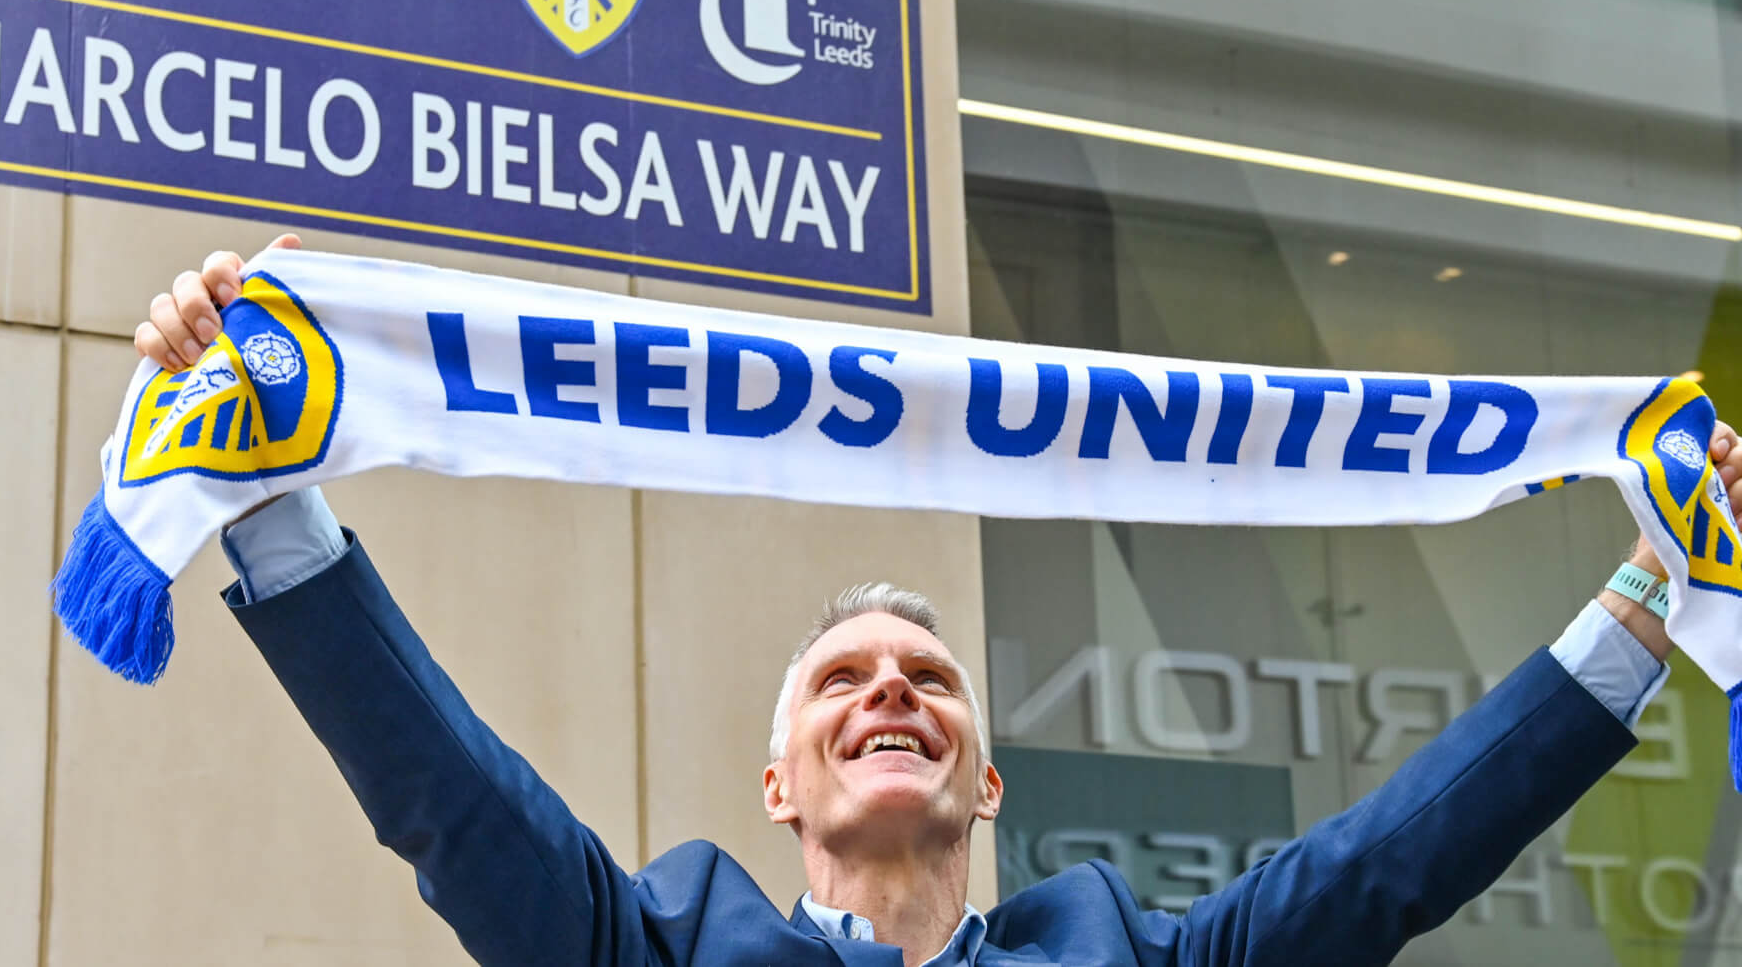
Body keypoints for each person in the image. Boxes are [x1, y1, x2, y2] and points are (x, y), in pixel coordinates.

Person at [136, 236, 1726, 967]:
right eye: (842, 680)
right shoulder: (650, 950)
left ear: (988, 780)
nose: (891, 687)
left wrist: (1661, 583)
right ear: (777, 786)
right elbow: (453, 801)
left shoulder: (1122, 956)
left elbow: (1392, 863)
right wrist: (261, 488)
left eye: (928, 677)